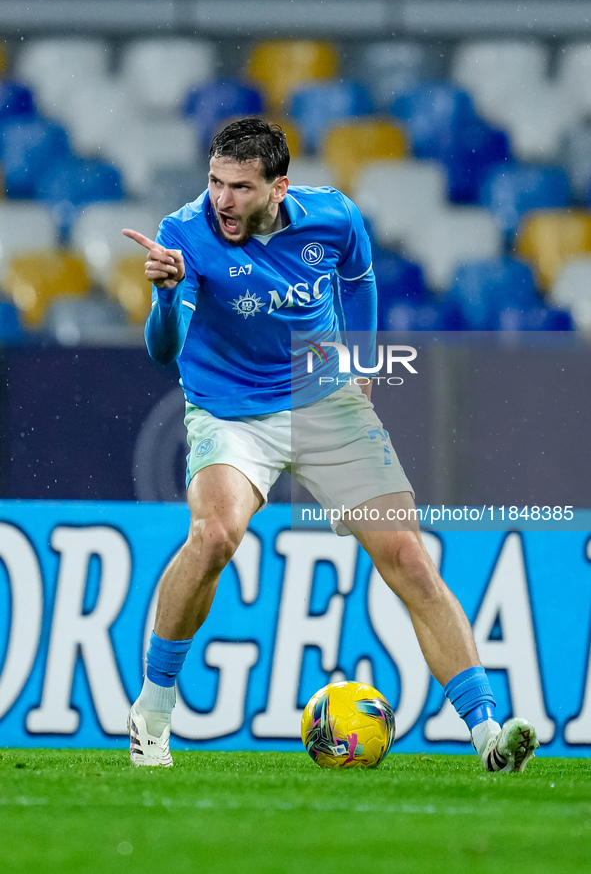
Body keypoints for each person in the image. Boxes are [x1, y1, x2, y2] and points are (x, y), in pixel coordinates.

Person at [123, 116, 538, 772]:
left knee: (408, 555)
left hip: (324, 401)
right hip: (230, 410)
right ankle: (151, 709)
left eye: (238, 186)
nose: (221, 200)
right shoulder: (183, 234)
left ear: (278, 186)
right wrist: (164, 296)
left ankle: (488, 733)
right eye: (214, 182)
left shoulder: (335, 218)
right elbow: (160, 350)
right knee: (214, 535)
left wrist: (363, 363)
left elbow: (360, 279)